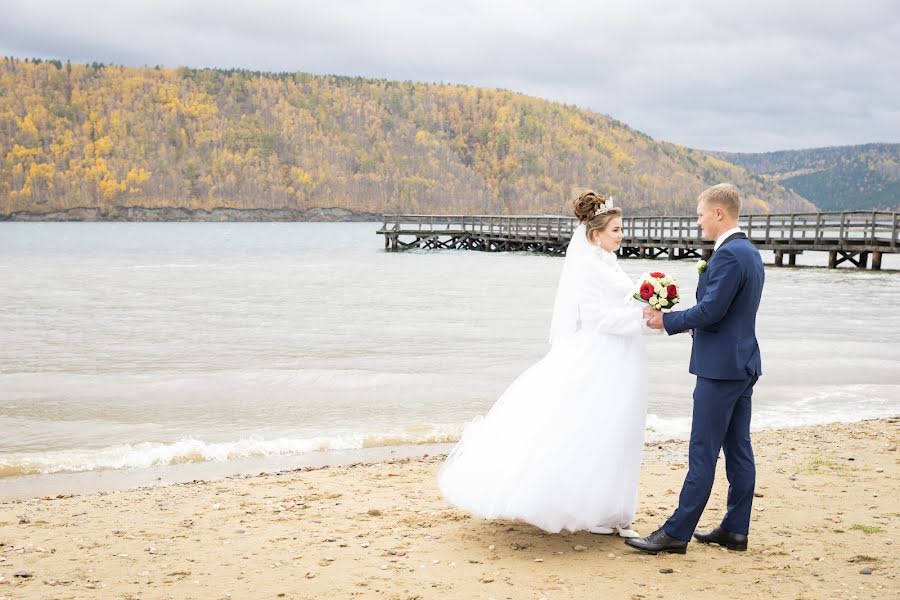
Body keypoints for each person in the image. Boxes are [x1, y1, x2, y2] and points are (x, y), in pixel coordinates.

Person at [438, 190, 655, 536]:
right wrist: (644, 321)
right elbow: (597, 319)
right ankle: (590, 509)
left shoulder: (606, 261)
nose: (621, 235)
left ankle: (608, 508)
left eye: (621, 228)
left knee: (617, 431)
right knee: (594, 430)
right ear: (596, 234)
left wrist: (645, 306)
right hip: (601, 354)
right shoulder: (587, 266)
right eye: (615, 230)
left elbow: (617, 306)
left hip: (621, 355)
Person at [628, 183, 764, 555]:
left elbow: (711, 311)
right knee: (738, 449)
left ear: (719, 213)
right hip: (742, 362)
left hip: (721, 370)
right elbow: (725, 309)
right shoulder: (748, 252)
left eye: (701, 213)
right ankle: (735, 530)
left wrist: (666, 320)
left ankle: (676, 533)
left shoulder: (730, 256)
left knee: (703, 451)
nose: (698, 220)